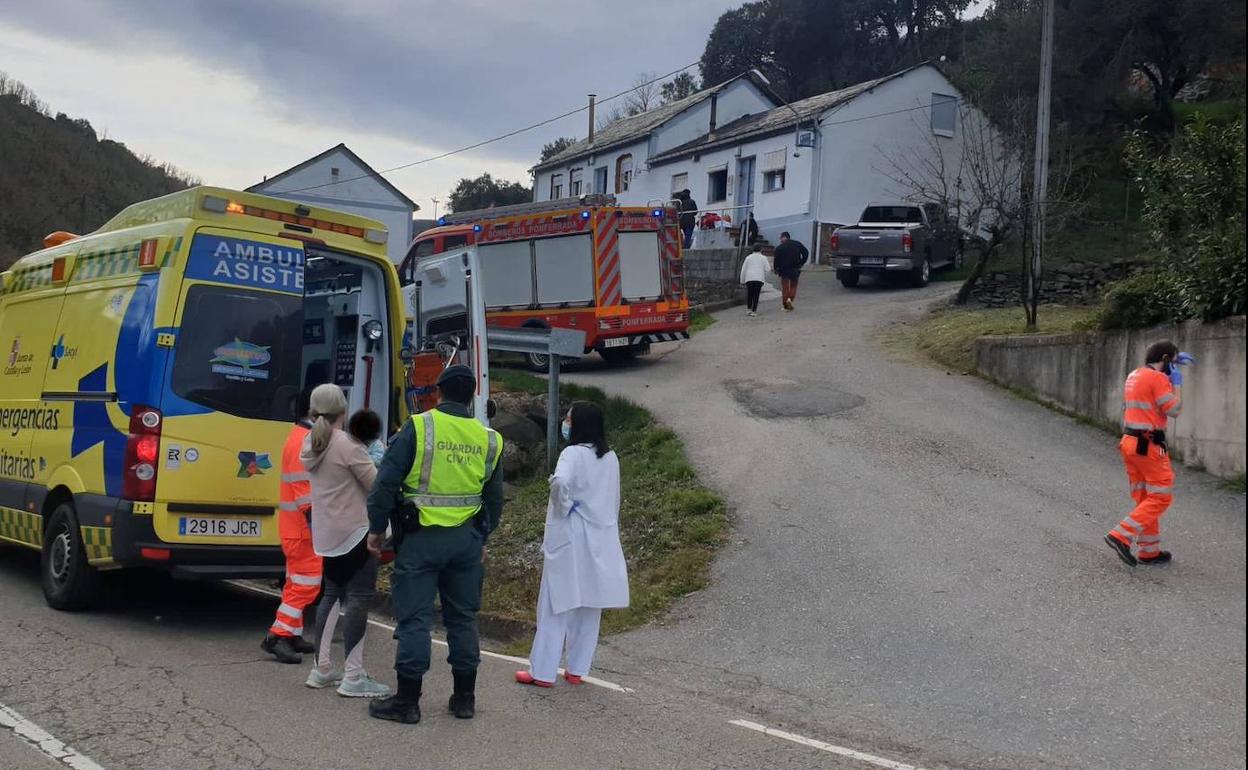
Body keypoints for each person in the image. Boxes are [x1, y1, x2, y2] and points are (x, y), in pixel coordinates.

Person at [365, 365, 504, 724]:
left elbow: (385, 484)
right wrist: (481, 538)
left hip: (422, 540)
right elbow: (495, 499)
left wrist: (377, 529)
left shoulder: (420, 426)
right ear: (472, 395)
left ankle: (407, 702)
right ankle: (464, 699)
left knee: (415, 619)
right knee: (462, 618)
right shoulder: (489, 438)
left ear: (438, 393)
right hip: (466, 543)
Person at [516, 402, 629, 688]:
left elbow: (559, 484)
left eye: (568, 418)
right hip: (601, 537)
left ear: (577, 424)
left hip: (571, 537)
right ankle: (577, 668)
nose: (565, 422)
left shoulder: (571, 454)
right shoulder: (610, 457)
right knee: (591, 604)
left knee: (555, 604)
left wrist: (565, 506)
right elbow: (613, 499)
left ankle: (542, 671)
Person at [299, 385, 392, 697]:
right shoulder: (348, 445)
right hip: (356, 533)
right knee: (359, 599)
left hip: (327, 534)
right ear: (343, 409)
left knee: (330, 596)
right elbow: (376, 487)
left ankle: (322, 668)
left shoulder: (310, 441)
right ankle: (353, 675)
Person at [1104, 341, 1196, 567]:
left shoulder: (1134, 375)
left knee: (1145, 498)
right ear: (1165, 358)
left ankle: (1149, 551)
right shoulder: (1158, 378)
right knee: (1161, 496)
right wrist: (1177, 383)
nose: (1173, 366)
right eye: (1172, 361)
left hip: (1130, 442)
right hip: (1148, 444)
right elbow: (1174, 410)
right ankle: (1121, 535)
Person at [261, 385, 320, 664]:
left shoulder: (300, 435)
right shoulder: (306, 440)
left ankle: (292, 632)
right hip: (303, 528)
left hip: (295, 526)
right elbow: (304, 488)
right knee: (307, 584)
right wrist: (316, 522)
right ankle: (278, 634)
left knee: (296, 582)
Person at [772, 231, 808, 311]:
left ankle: (785, 305)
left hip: (784, 270)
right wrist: (802, 262)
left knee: (785, 288)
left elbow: (776, 260)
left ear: (783, 237)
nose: (780, 240)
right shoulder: (797, 244)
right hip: (796, 268)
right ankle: (790, 300)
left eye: (780, 238)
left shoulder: (779, 248)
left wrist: (776, 269)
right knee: (793, 286)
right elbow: (806, 253)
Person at [739, 244, 771, 317]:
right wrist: (764, 277)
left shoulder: (748, 258)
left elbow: (743, 269)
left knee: (750, 294)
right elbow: (768, 269)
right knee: (756, 294)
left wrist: (742, 280)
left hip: (749, 278)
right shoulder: (763, 258)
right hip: (759, 279)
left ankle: (748, 309)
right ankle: (754, 310)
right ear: (761, 250)